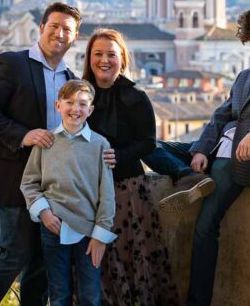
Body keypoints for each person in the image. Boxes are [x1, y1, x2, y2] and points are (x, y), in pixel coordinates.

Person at [154, 0, 250, 306]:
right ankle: (189, 175)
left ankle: (198, 302)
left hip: (241, 160)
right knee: (150, 145)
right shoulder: (245, 75)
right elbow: (220, 116)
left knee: (205, 227)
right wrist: (198, 150)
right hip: (216, 149)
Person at [0, 2, 81, 306]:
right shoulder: (12, 62)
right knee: (15, 252)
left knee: (41, 261)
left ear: (74, 37)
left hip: (51, 185)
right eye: (54, 26)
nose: (59, 33)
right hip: (13, 177)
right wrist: (24, 135)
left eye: (66, 29)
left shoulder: (71, 78)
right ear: (42, 28)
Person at [83, 28, 179, 306]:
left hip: (126, 191)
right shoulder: (80, 93)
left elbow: (148, 142)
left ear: (122, 59)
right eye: (98, 54)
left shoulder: (136, 95)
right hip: (87, 192)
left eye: (111, 54)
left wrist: (120, 156)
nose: (104, 60)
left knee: (128, 259)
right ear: (89, 58)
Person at [21, 79, 116, 305]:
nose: (75, 109)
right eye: (69, 102)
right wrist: (44, 213)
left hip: (89, 231)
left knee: (90, 296)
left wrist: (101, 235)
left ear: (90, 110)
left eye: (82, 104)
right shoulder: (46, 142)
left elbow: (107, 194)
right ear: (58, 106)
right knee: (59, 295)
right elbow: (29, 183)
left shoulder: (100, 145)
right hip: (53, 228)